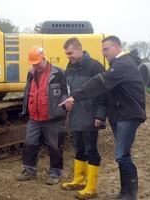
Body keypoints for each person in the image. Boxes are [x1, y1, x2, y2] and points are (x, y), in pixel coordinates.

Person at [59, 35, 146, 200]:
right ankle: (124, 193)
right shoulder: (118, 65)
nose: (103, 53)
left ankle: (130, 195)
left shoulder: (124, 64)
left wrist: (76, 97)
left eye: (106, 49)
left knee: (122, 155)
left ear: (117, 47)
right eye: (102, 50)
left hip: (128, 114)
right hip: (119, 114)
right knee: (122, 155)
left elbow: (100, 84)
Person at [60, 37, 107, 199]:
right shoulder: (70, 67)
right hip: (76, 115)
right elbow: (66, 88)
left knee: (90, 149)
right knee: (78, 148)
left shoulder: (95, 67)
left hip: (90, 115)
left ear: (80, 49)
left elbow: (104, 93)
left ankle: (91, 188)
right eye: (66, 54)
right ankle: (79, 180)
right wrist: (67, 102)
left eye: (70, 53)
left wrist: (100, 115)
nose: (68, 57)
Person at [15, 45, 67, 185]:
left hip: (52, 118)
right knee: (30, 144)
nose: (35, 66)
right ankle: (29, 170)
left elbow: (66, 93)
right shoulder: (31, 73)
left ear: (44, 59)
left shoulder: (59, 73)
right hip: (34, 117)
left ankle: (55, 173)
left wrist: (61, 110)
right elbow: (28, 91)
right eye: (33, 64)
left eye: (37, 63)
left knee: (54, 146)